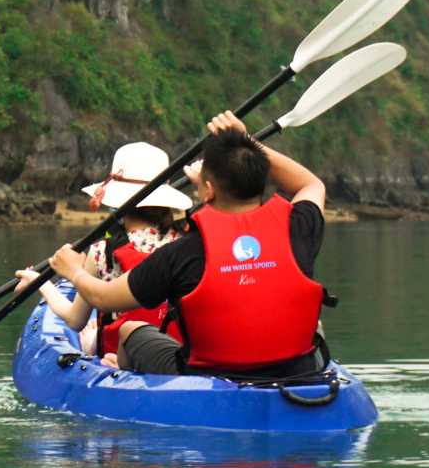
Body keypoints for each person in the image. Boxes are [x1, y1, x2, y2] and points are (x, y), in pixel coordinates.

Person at [43, 110, 331, 379]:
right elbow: (311, 185)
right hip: (297, 371)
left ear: (207, 190)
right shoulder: (298, 227)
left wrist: (74, 272)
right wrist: (247, 142)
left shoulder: (185, 252)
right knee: (314, 328)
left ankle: (125, 376)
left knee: (131, 329)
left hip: (208, 378)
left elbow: (104, 298)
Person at [23, 142, 189, 359]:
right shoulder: (186, 242)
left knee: (87, 332)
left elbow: (75, 320)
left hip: (122, 355)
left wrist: (41, 283)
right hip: (177, 354)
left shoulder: (102, 252)